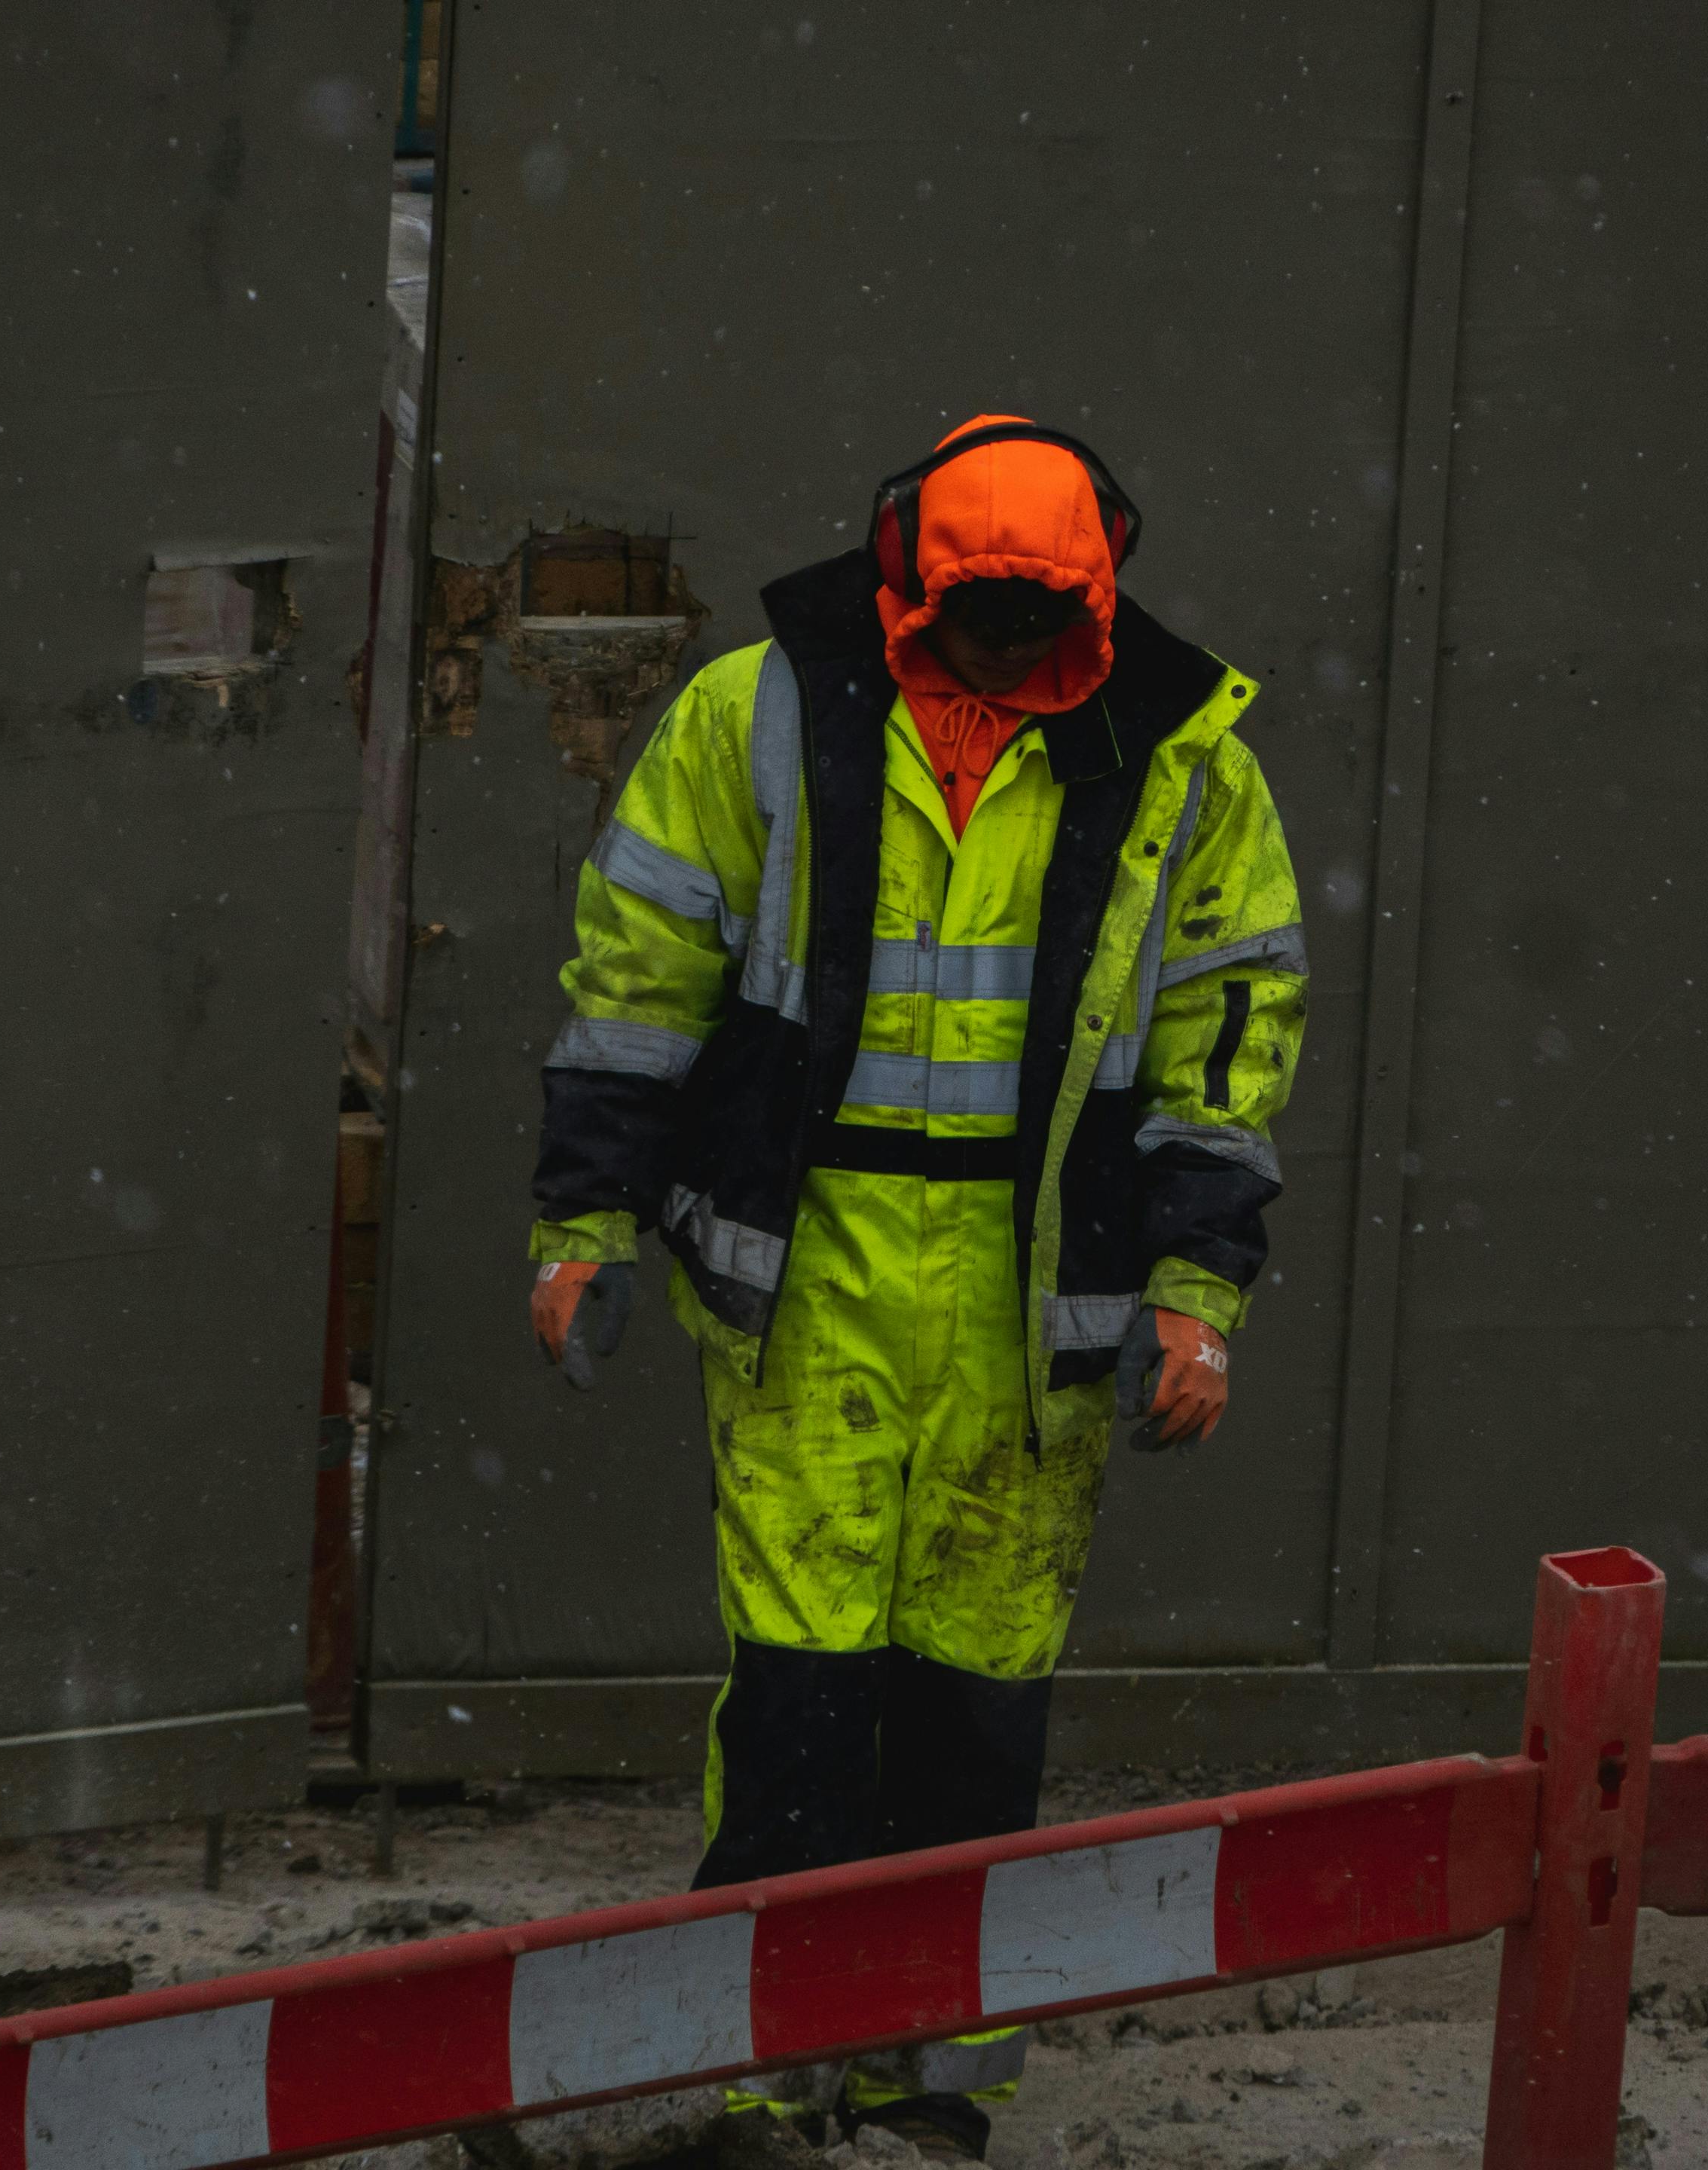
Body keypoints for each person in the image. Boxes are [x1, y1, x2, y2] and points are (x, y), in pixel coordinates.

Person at [524, 415, 1307, 2159]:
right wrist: (582, 1220)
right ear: (904, 577)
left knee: (974, 1703)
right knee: (801, 1689)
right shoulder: (761, 715)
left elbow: (1227, 1033)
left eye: (1042, 616)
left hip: (1035, 1304)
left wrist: (1199, 1282)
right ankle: (767, 2065)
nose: (1007, 648)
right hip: (812, 1279)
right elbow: (641, 968)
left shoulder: (1181, 759)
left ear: (1097, 591)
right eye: (981, 614)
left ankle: (927, 2081)